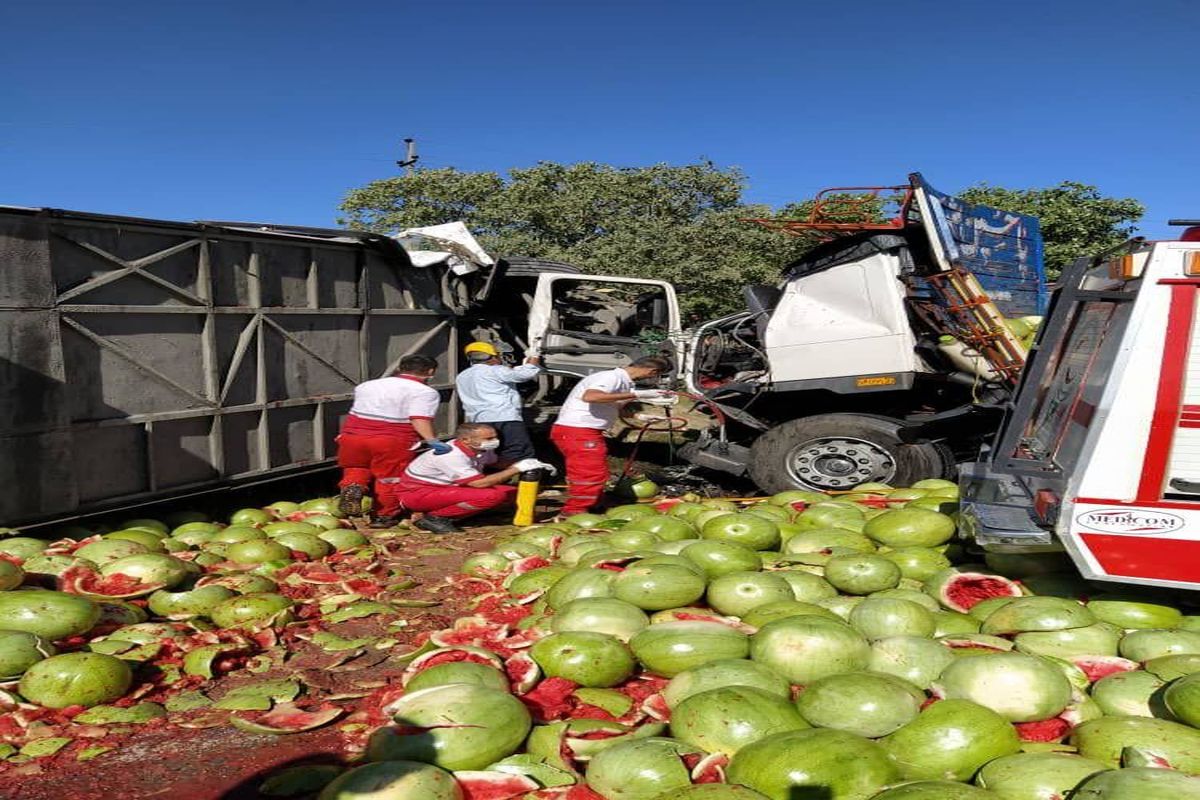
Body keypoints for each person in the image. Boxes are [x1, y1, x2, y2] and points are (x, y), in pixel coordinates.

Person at [550, 356, 674, 518]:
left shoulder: (624, 382)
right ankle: (574, 512)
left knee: (593, 470)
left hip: (582, 431)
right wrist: (638, 394)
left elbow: (611, 405)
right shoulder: (610, 378)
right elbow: (591, 397)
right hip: (578, 431)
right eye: (656, 376)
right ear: (653, 372)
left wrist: (640, 416)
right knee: (590, 472)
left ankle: (594, 504)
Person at [336, 354, 450, 527]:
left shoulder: (366, 386)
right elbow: (419, 418)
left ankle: (353, 487)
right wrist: (431, 440)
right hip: (391, 439)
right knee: (389, 478)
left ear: (399, 368)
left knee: (356, 467)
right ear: (431, 372)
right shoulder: (425, 392)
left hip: (352, 436)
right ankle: (384, 516)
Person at [395, 422, 556, 533]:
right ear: (466, 440)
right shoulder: (451, 455)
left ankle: (460, 514)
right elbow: (478, 483)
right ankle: (435, 518)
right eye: (489, 439)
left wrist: (528, 463)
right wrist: (516, 469)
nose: (495, 442)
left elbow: (497, 463)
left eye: (494, 437)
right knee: (492, 495)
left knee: (513, 493)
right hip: (418, 493)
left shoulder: (480, 448)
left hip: (448, 489)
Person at [454, 341, 542, 464]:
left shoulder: (462, 375)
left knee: (491, 453)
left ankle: (494, 476)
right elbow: (524, 374)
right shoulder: (495, 370)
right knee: (519, 451)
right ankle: (516, 477)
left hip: (479, 420)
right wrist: (534, 359)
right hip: (504, 417)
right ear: (493, 357)